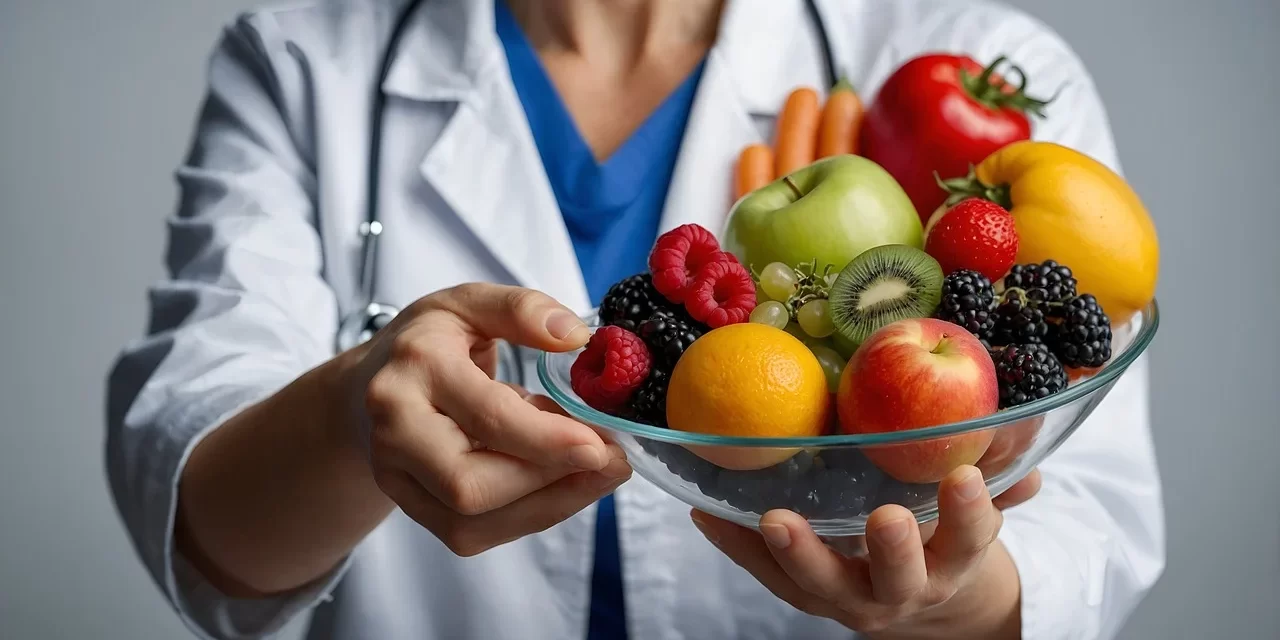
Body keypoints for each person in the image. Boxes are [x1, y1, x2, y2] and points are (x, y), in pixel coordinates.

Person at [104, 0, 1164, 638]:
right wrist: (351, 415)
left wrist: (955, 609)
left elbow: (1088, 518)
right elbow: (205, 528)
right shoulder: (301, 62)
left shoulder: (968, 58)